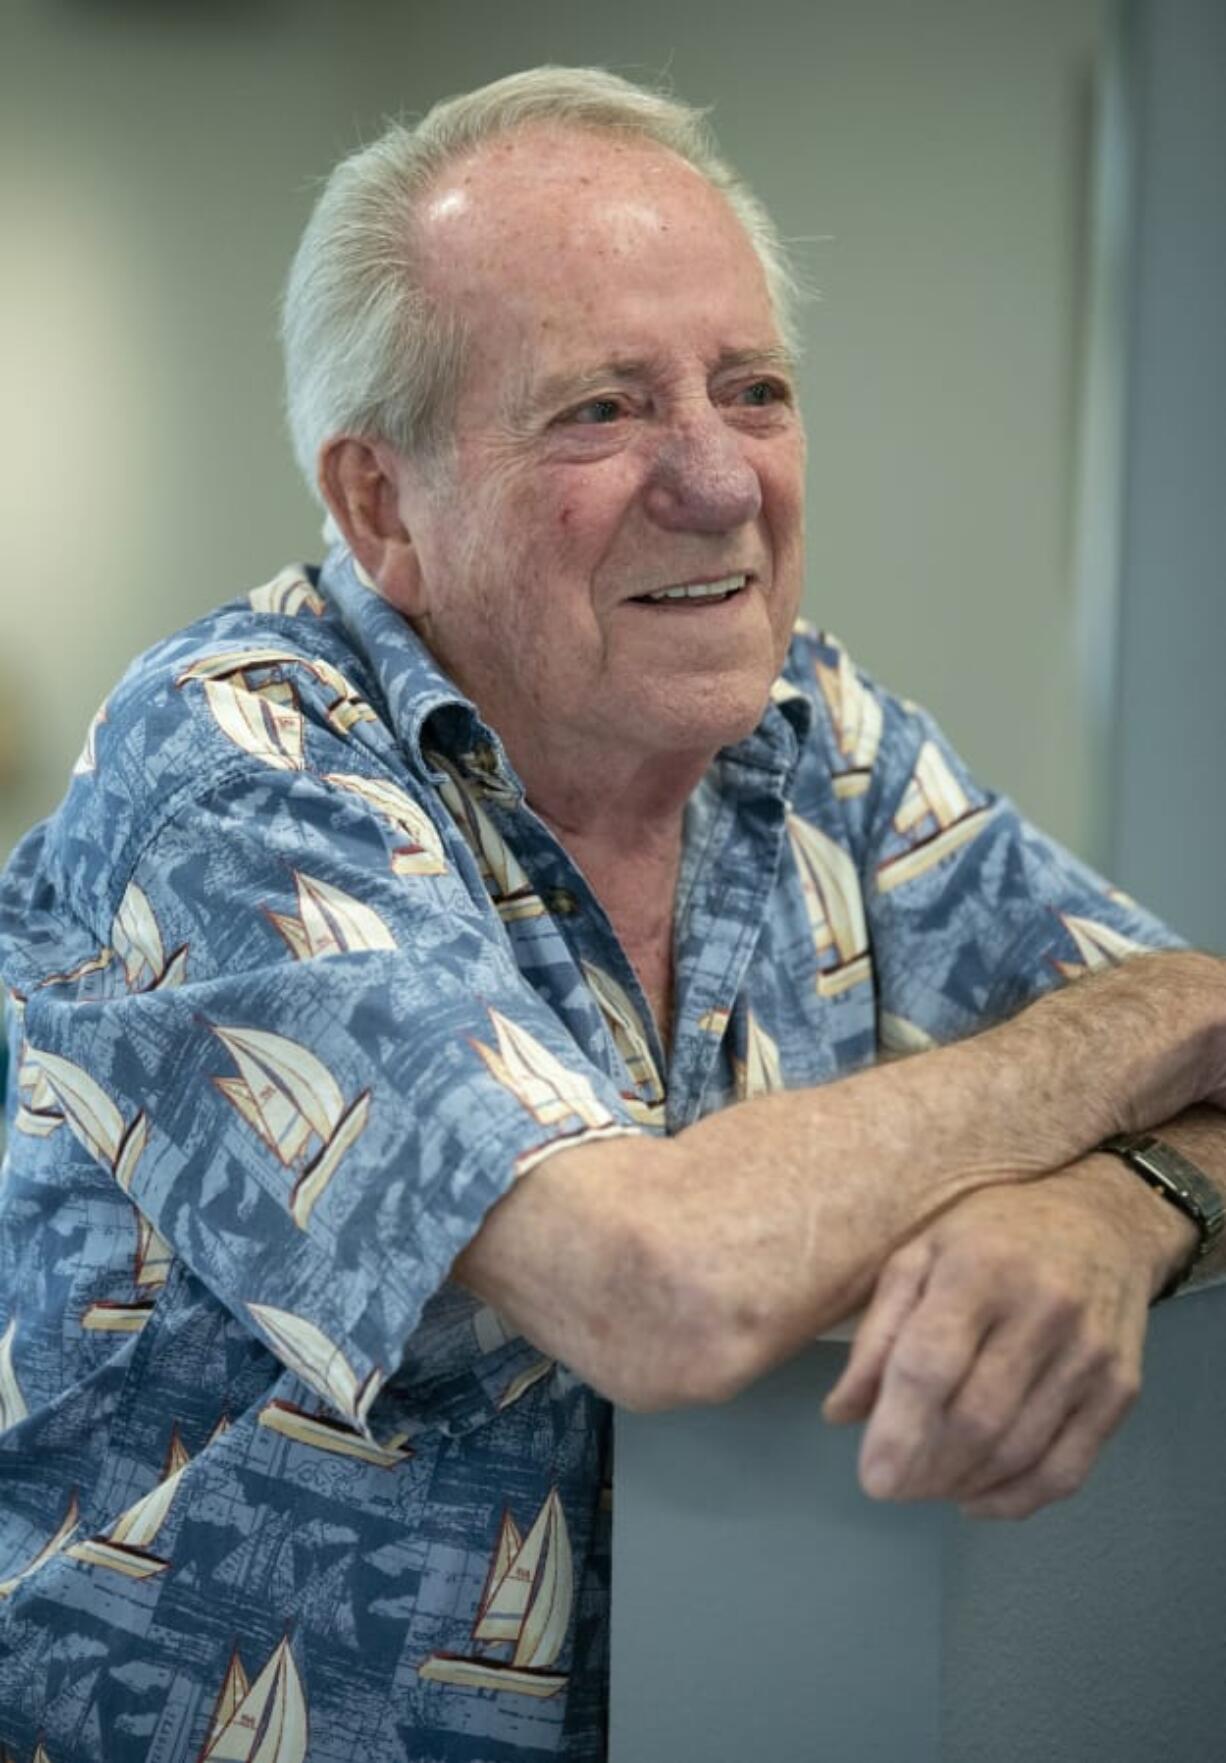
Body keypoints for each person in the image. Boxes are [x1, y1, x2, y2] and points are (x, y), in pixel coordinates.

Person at [0, 64, 1223, 1763]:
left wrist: (1118, 1207)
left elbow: (1201, 1059)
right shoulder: (233, 759)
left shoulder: (817, 737)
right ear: (380, 506)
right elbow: (658, 1289)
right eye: (601, 410)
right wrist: (1138, 1028)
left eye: (755, 388)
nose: (719, 482)